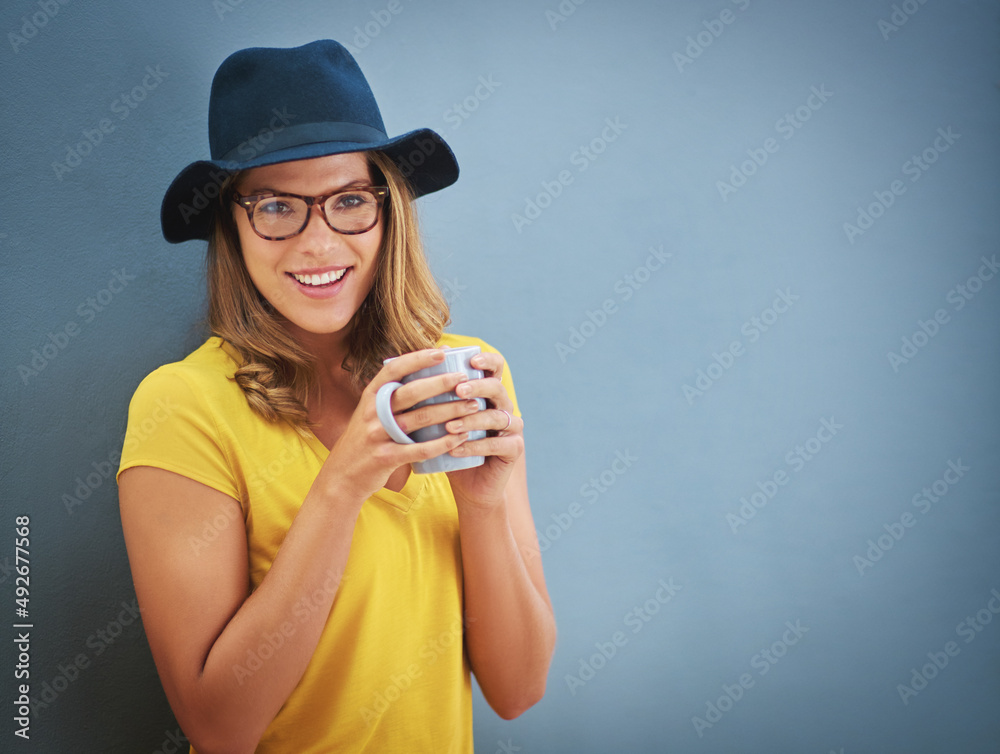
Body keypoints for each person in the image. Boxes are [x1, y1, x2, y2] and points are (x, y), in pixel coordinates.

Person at [116, 40, 555, 754]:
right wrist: (344, 482)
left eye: (350, 201)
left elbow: (518, 689)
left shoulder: (465, 376)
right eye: (279, 208)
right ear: (232, 223)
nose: (319, 243)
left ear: (388, 213)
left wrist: (481, 502)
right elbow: (219, 727)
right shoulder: (182, 407)